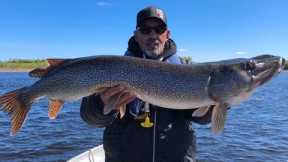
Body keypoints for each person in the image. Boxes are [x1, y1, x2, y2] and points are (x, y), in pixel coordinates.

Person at [80, 6, 213, 162]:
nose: (153, 34)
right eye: (146, 29)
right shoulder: (114, 69)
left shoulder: (186, 70)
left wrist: (217, 100)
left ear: (167, 34)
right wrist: (100, 104)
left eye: (159, 29)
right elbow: (90, 118)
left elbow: (202, 118)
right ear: (136, 35)